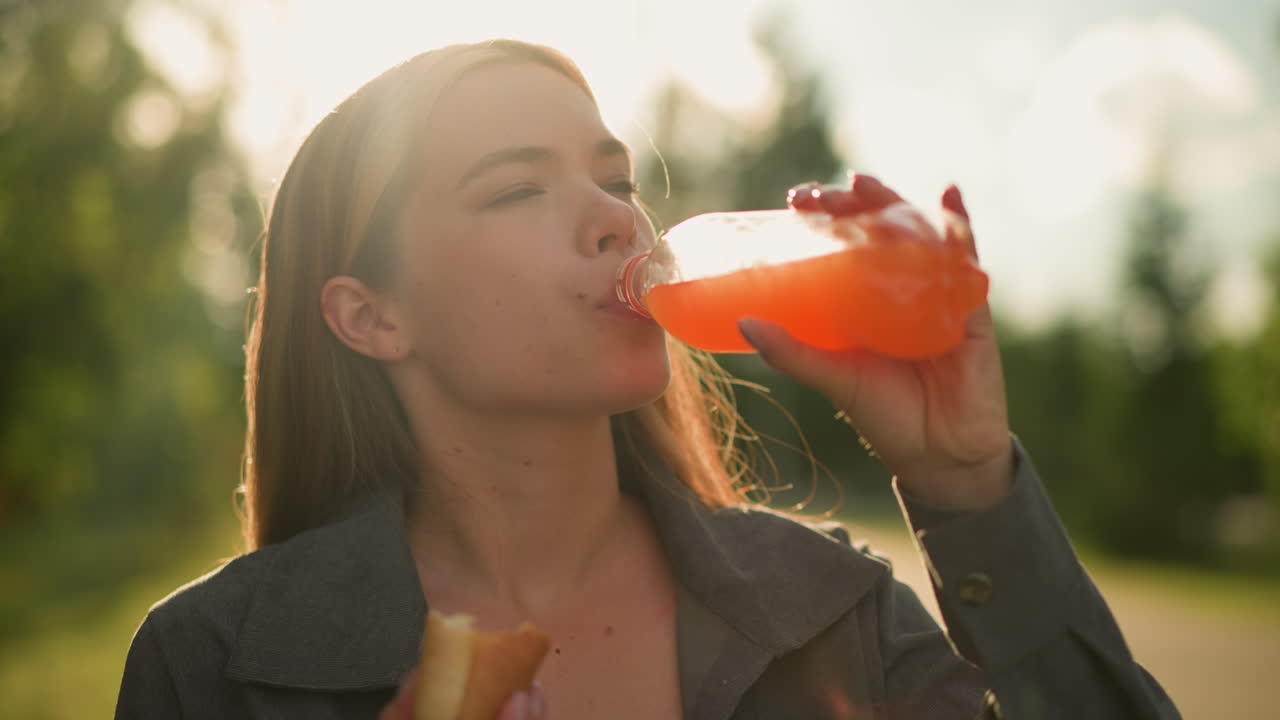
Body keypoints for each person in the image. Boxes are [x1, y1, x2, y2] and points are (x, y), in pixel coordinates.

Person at [114, 39, 1180, 720]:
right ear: (370, 316)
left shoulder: (832, 611)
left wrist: (965, 481)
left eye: (613, 179)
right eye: (513, 190)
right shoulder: (211, 666)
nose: (617, 217)